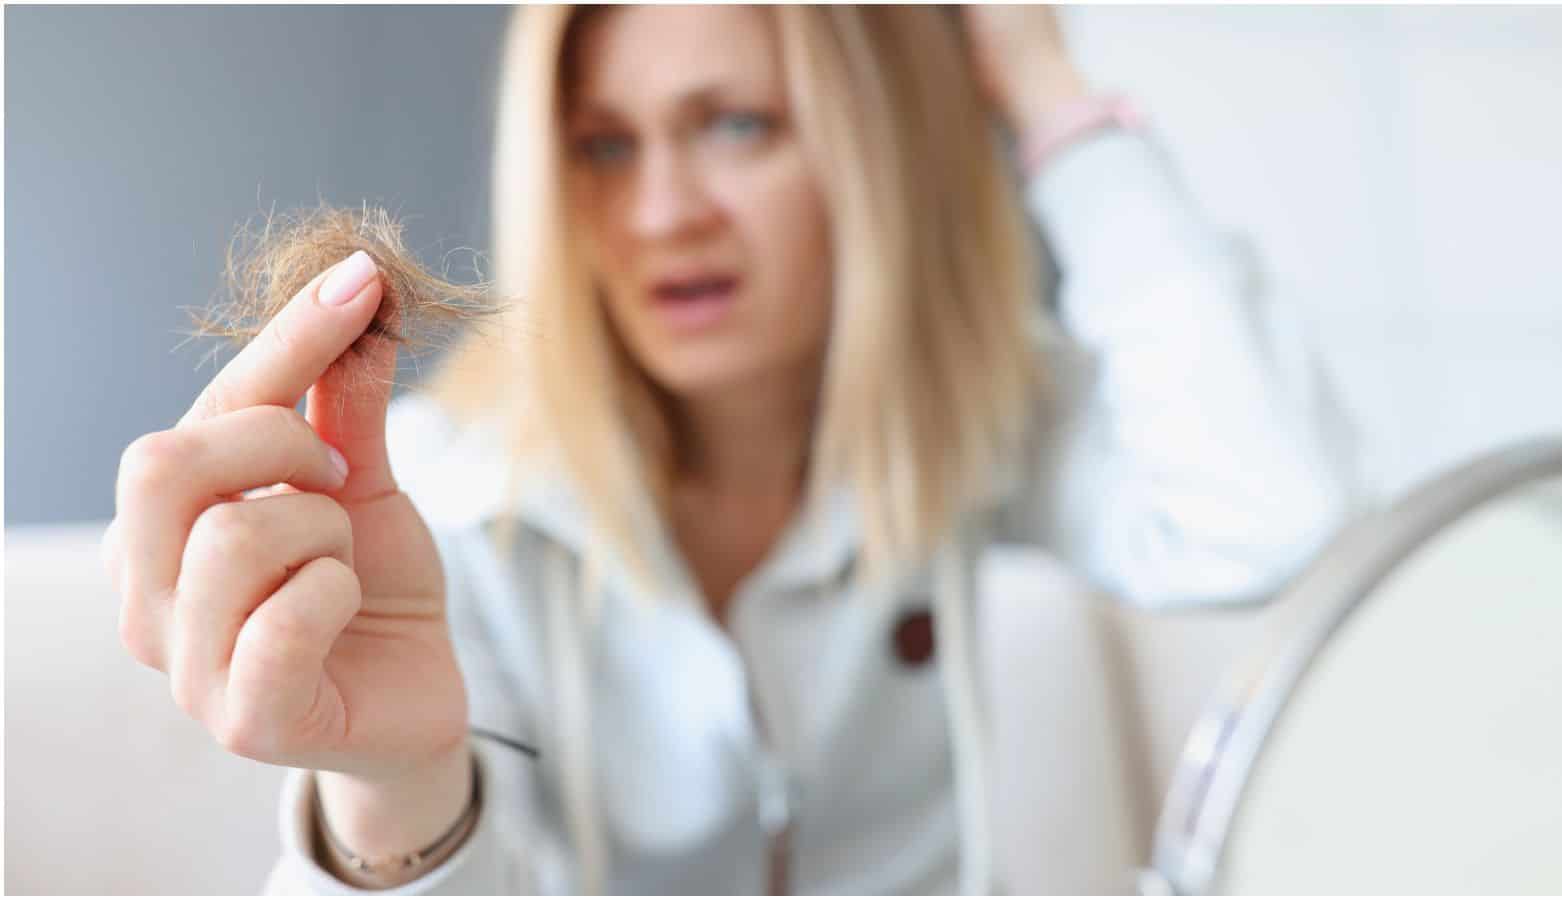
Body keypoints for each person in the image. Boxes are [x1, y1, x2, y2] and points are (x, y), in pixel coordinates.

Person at [104, 5, 1355, 894]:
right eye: (603, 145)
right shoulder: (436, 504)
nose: (662, 213)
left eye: (738, 125)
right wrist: (393, 788)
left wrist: (1046, 89)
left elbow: (1273, 505)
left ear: (875, 148)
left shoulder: (975, 427)